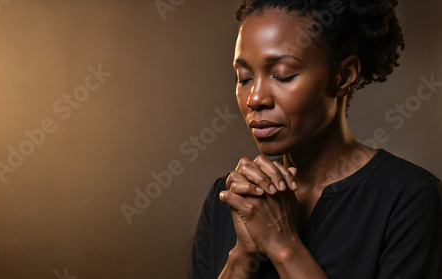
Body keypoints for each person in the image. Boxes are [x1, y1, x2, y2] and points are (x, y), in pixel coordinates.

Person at [188, 0, 442, 278]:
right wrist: (241, 256)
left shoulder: (410, 200)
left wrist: (282, 245)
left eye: (283, 75)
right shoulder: (227, 198)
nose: (255, 98)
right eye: (244, 77)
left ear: (344, 76)